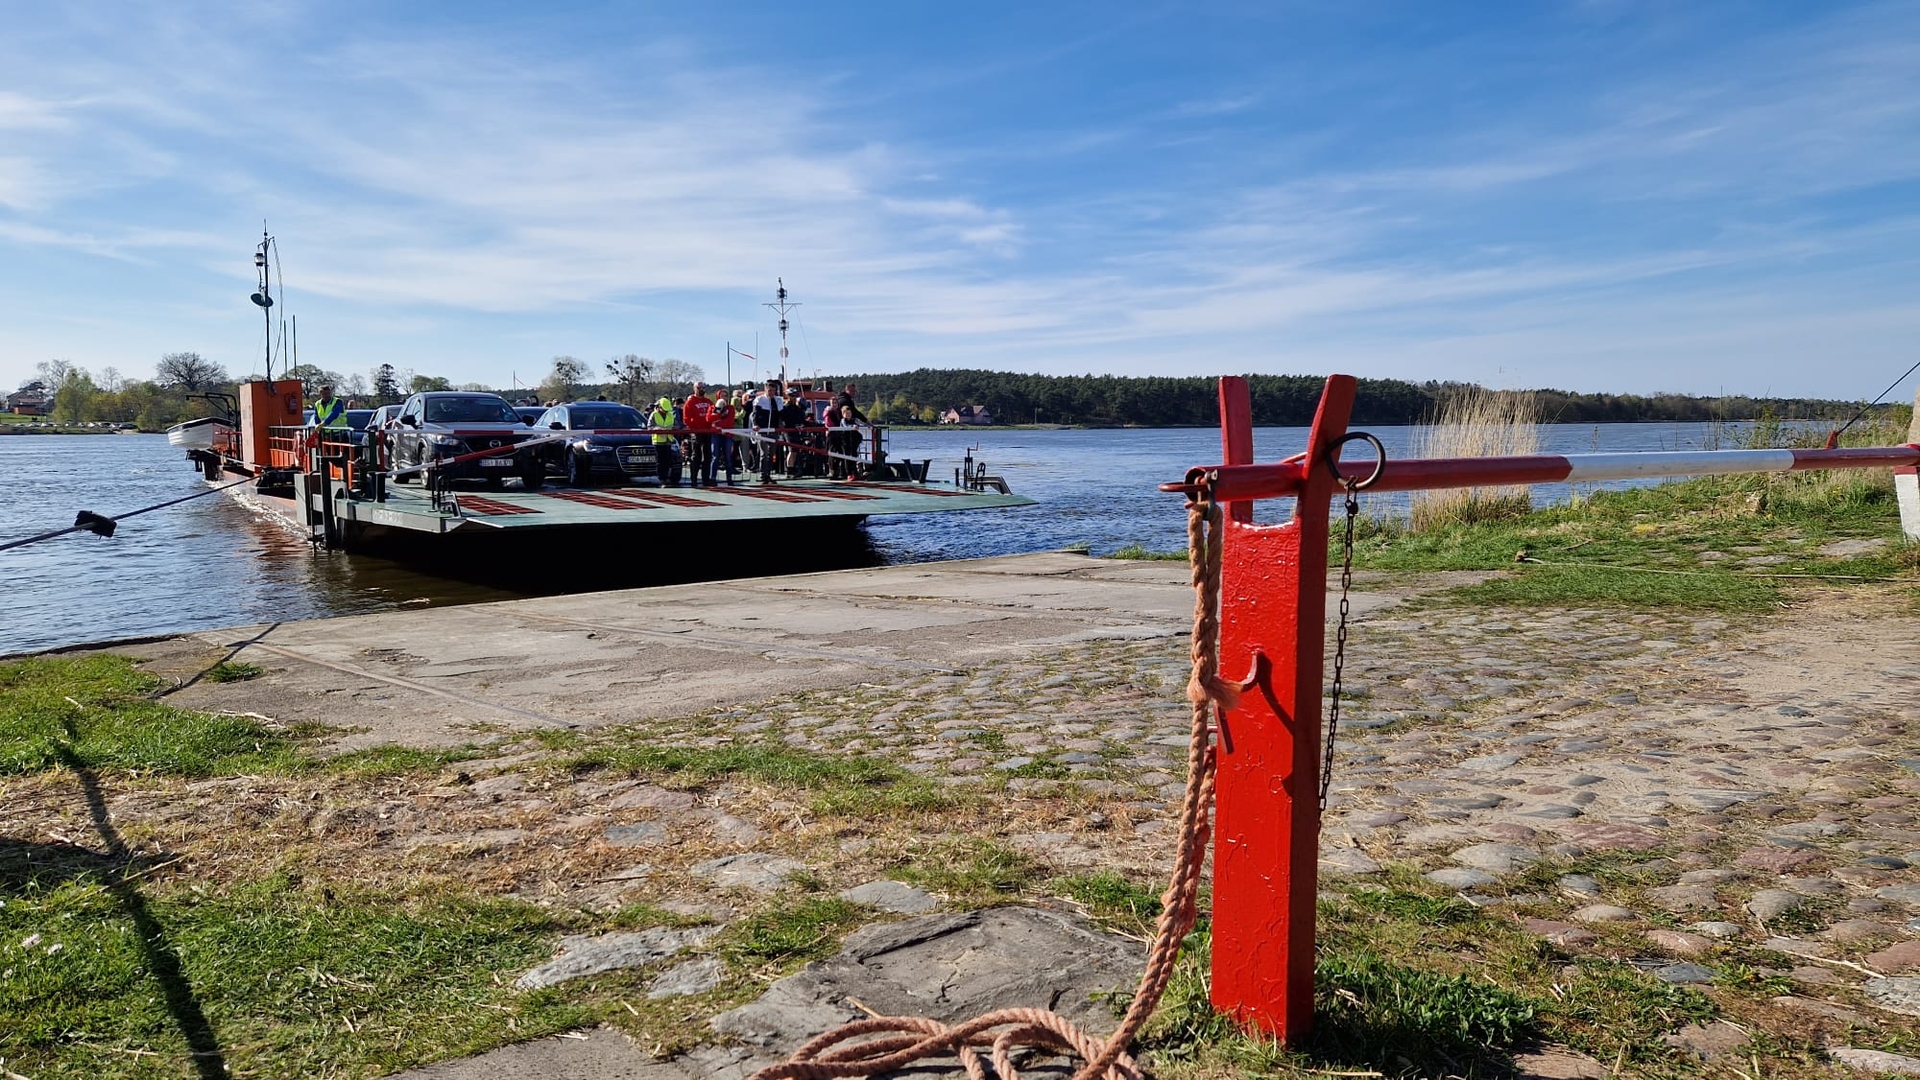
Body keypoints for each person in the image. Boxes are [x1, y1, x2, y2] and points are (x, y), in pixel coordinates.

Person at [682, 382, 714, 486]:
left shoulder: (709, 401)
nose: (702, 389)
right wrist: (694, 428)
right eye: (699, 388)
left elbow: (713, 415)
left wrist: (711, 426)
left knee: (708, 456)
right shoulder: (690, 402)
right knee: (696, 456)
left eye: (703, 387)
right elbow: (686, 419)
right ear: (695, 388)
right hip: (696, 432)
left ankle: (706, 479)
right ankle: (694, 479)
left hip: (707, 431)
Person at [751, 380, 781, 483]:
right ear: (765, 390)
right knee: (764, 453)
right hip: (762, 431)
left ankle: (768, 474)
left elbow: (782, 415)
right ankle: (763, 475)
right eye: (769, 390)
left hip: (773, 430)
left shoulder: (778, 400)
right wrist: (755, 424)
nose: (771, 392)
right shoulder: (759, 400)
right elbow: (755, 414)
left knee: (771, 454)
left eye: (773, 390)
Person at [708, 388, 737, 485]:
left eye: (726, 396)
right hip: (716, 435)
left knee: (728, 457)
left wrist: (717, 422)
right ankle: (712, 478)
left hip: (727, 435)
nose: (725, 398)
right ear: (718, 397)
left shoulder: (731, 408)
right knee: (715, 457)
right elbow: (709, 419)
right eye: (723, 396)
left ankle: (729, 478)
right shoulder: (712, 408)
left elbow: (729, 422)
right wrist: (719, 415)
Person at [649, 395, 678, 486]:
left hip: (668, 440)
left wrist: (674, 428)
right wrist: (659, 429)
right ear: (659, 407)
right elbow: (650, 427)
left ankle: (667, 478)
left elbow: (677, 425)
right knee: (661, 462)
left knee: (669, 461)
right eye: (664, 409)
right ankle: (662, 479)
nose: (666, 411)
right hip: (658, 441)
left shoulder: (670, 414)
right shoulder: (654, 414)